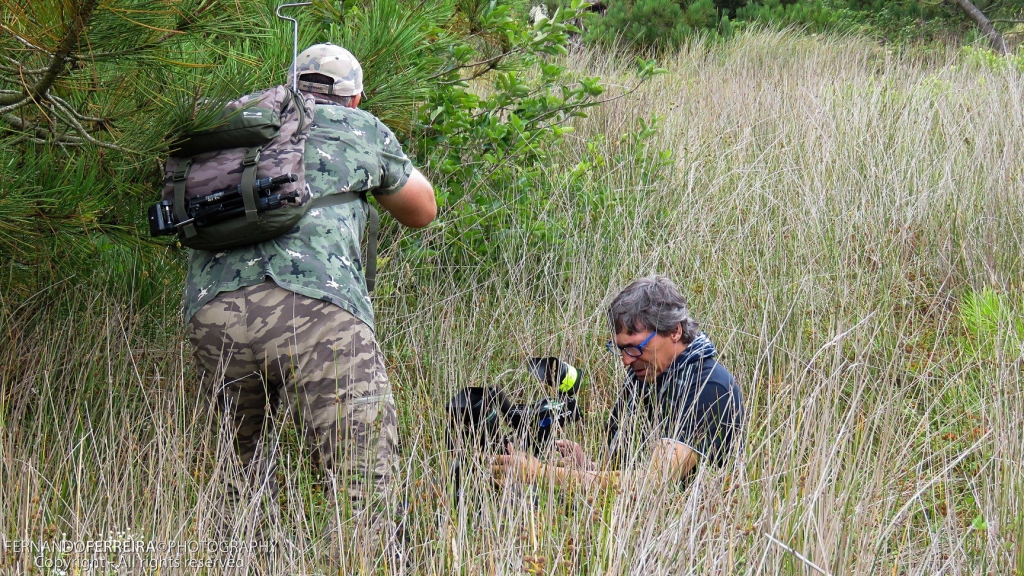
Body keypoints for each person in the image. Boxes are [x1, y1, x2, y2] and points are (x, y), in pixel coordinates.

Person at [185, 43, 436, 541]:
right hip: (316, 310)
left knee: (233, 478)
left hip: (212, 312)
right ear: (355, 99)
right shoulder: (360, 127)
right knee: (362, 483)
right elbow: (422, 210)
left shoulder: (233, 124)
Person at [492, 275, 744, 490]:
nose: (625, 360)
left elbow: (651, 484)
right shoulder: (646, 376)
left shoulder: (709, 388)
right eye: (620, 348)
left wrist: (542, 474)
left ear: (675, 331)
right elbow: (625, 474)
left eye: (635, 347)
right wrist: (585, 468)